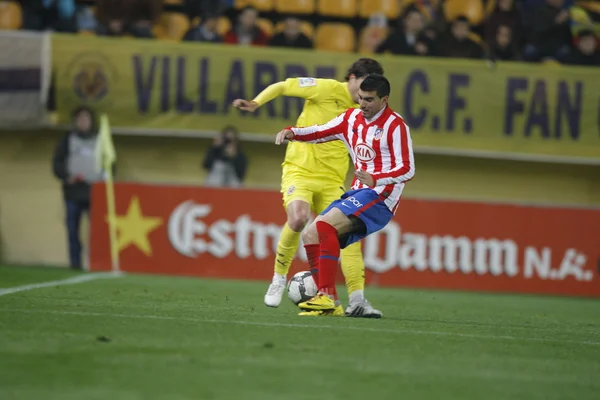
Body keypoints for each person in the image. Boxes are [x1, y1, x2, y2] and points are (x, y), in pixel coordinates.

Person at [233, 58, 385, 318]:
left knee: (345, 239)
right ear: (351, 77)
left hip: (333, 180)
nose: (365, 94)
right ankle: (278, 279)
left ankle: (356, 300)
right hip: (300, 171)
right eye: (363, 83)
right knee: (299, 217)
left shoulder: (365, 112)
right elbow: (282, 87)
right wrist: (256, 102)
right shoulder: (324, 88)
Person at [274, 74, 415, 316]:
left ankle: (325, 295)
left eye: (369, 100)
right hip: (360, 192)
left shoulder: (396, 125)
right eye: (360, 98)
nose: (362, 104)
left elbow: (408, 168)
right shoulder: (351, 119)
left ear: (384, 100)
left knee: (325, 227)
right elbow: (320, 131)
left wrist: (377, 179)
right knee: (310, 233)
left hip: (381, 196)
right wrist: (292, 132)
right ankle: (332, 304)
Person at [52, 107, 106, 270]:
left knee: (97, 232)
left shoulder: (99, 140)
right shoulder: (67, 140)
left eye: (86, 118)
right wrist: (67, 176)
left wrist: (104, 180)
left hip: (94, 193)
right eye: (80, 119)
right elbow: (57, 164)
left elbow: (110, 164)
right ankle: (75, 264)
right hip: (73, 193)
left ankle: (96, 263)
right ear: (75, 121)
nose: (83, 122)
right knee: (73, 231)